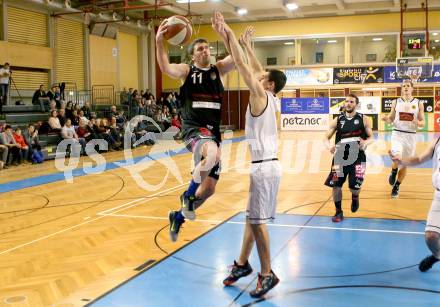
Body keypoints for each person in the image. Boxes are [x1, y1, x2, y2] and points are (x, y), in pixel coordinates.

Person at [213, 15, 286, 298]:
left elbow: (244, 67)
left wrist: (227, 34)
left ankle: (267, 274)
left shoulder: (260, 95)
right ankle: (242, 264)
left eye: (264, 77)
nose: (260, 75)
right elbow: (255, 66)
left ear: (267, 85)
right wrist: (247, 44)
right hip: (265, 165)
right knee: (250, 218)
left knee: (257, 222)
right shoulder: (272, 96)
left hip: (264, 167)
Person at [156, 13, 235, 241]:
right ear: (192, 55)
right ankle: (188, 197)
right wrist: (159, 42)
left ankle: (177, 217)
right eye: (199, 49)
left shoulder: (218, 69)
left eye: (207, 47)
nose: (204, 51)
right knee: (212, 152)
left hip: (213, 131)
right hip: (193, 128)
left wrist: (226, 33)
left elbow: (239, 59)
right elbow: (165, 67)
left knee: (209, 190)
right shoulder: (187, 71)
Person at [390, 138, 440, 272]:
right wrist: (401, 161)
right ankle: (437, 255)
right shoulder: (437, 141)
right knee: (431, 237)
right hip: (439, 196)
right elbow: (418, 159)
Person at [323, 94, 374, 222]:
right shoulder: (337, 120)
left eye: (351, 102)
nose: (348, 103)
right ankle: (338, 212)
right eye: (346, 101)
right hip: (339, 158)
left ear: (356, 104)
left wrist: (366, 143)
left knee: (354, 187)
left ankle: (355, 197)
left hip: (359, 158)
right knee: (336, 185)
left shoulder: (364, 119)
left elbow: (371, 137)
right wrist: (329, 146)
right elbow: (325, 137)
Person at [382, 79, 424, 198]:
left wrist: (417, 122)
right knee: (397, 157)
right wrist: (386, 119)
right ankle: (393, 172)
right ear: (402, 88)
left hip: (411, 136)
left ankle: (397, 186)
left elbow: (423, 123)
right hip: (397, 134)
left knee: (404, 164)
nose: (405, 87)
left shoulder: (419, 103)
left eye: (408, 86)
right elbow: (391, 118)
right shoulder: (395, 102)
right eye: (403, 86)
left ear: (412, 88)